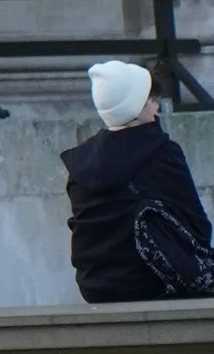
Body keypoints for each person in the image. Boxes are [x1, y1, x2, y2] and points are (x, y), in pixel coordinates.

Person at [65, 60, 214, 303]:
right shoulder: (160, 151)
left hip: (95, 286)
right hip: (155, 283)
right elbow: (197, 226)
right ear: (135, 106)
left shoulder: (80, 161)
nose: (157, 107)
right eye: (151, 99)